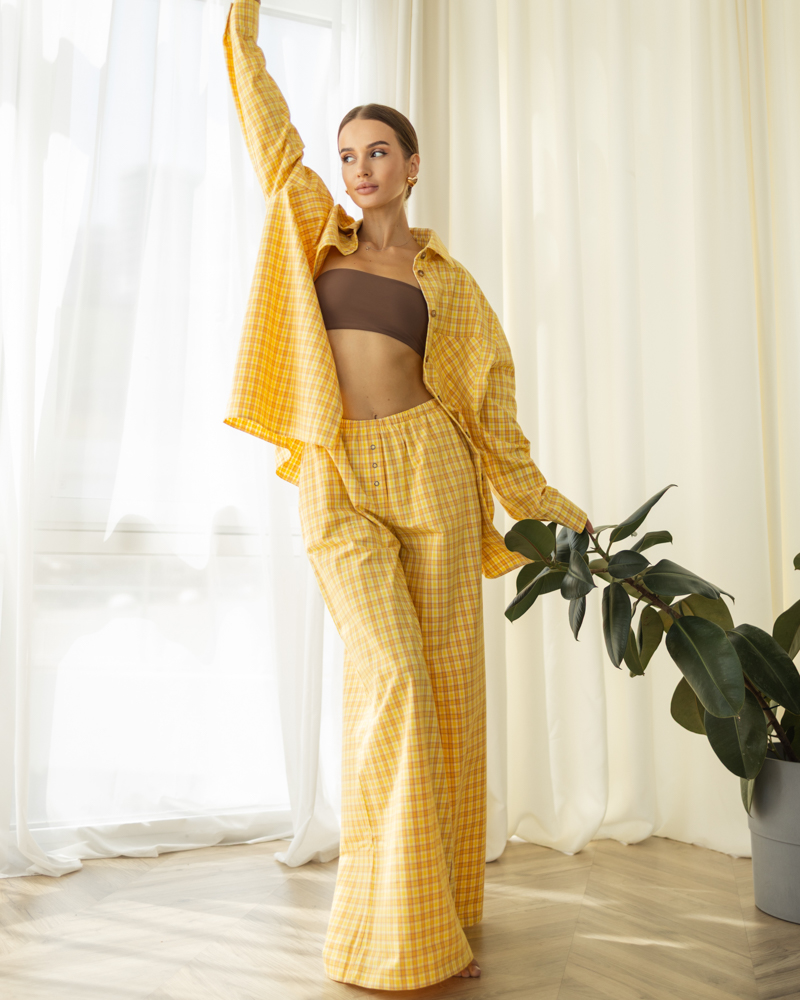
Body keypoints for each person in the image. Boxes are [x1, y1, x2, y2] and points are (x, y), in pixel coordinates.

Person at [223, 0, 593, 990]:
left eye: (377, 152)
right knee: (390, 680)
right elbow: (270, 132)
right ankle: (383, 930)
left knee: (445, 698)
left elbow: (492, 420)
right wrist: (242, 26)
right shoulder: (316, 231)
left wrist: (553, 510)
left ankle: (440, 915)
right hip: (339, 474)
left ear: (411, 165)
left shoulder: (450, 285)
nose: (358, 167)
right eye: (348, 153)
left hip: (433, 476)